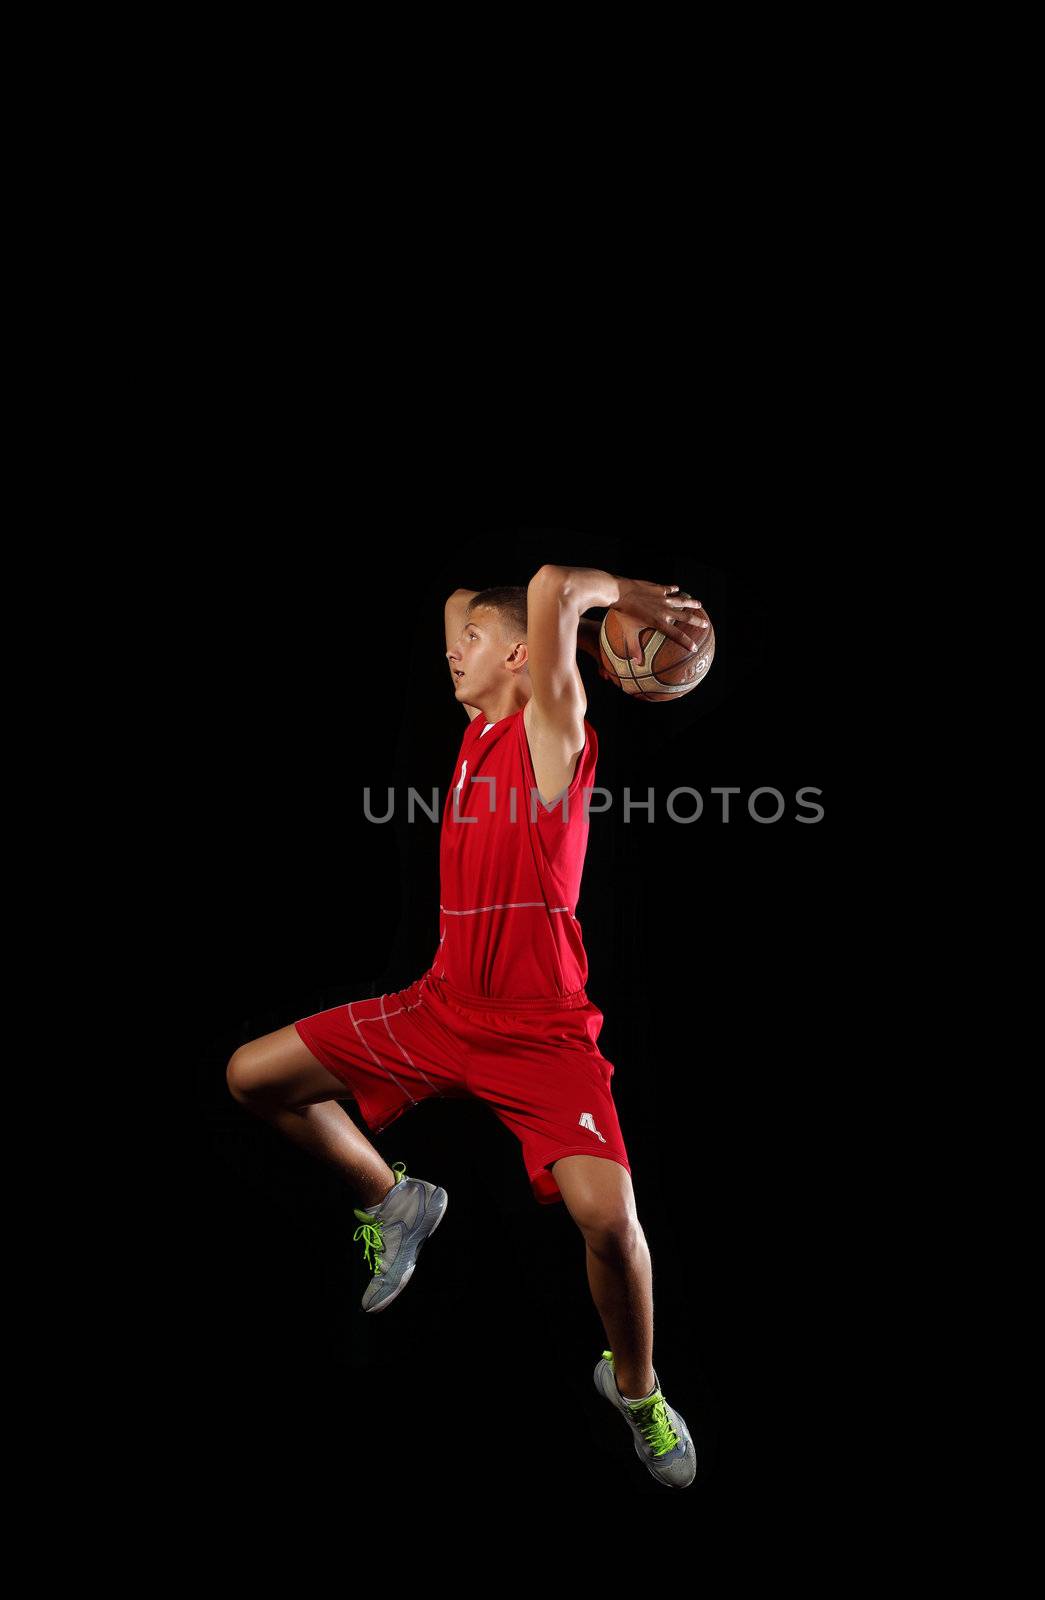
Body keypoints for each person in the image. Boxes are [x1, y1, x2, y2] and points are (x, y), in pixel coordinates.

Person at [226, 564, 709, 1487]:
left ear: (529, 656)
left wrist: (620, 596)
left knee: (609, 1226)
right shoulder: (480, 725)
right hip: (442, 1007)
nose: (453, 651)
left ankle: (637, 1390)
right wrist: (503, 630)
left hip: (543, 1032)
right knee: (251, 1077)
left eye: (477, 646)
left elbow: (549, 586)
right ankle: (392, 1199)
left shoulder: (551, 733)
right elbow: (468, 606)